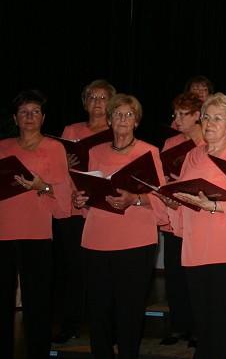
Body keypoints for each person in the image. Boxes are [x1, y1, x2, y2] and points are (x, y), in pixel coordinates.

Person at [72, 93, 166, 359]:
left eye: (128, 115)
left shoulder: (149, 151)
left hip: (135, 240)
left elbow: (160, 197)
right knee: (99, 309)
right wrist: (80, 199)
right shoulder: (95, 152)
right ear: (109, 120)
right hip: (96, 238)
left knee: (130, 309)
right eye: (117, 114)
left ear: (136, 121)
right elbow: (91, 192)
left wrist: (134, 199)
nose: (122, 119)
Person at [165, 93, 226, 359]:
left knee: (221, 317)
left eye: (217, 118)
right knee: (201, 317)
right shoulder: (192, 155)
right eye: (206, 117)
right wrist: (173, 200)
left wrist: (213, 206)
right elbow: (185, 195)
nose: (210, 123)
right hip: (195, 242)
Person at [0, 89, 71, 359]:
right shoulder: (3, 147)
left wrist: (42, 186)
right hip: (3, 230)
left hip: (36, 232)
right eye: (23, 112)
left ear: (43, 117)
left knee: (37, 302)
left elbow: (63, 195)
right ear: (15, 118)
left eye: (35, 112)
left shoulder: (54, 148)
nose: (29, 117)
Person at [52, 78, 116, 345]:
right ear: (84, 102)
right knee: (75, 269)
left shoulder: (115, 130)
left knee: (103, 270)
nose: (97, 103)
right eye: (92, 97)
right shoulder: (72, 129)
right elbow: (56, 168)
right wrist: (62, 162)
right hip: (73, 206)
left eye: (102, 98)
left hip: (100, 208)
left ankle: (106, 328)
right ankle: (72, 325)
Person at [157, 92, 205, 347]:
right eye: (175, 114)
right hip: (175, 213)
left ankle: (198, 329)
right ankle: (178, 326)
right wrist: (166, 182)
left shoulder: (208, 141)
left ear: (197, 115)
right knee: (175, 273)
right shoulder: (171, 142)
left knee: (195, 276)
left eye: (183, 114)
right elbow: (162, 174)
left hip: (198, 215)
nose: (177, 119)